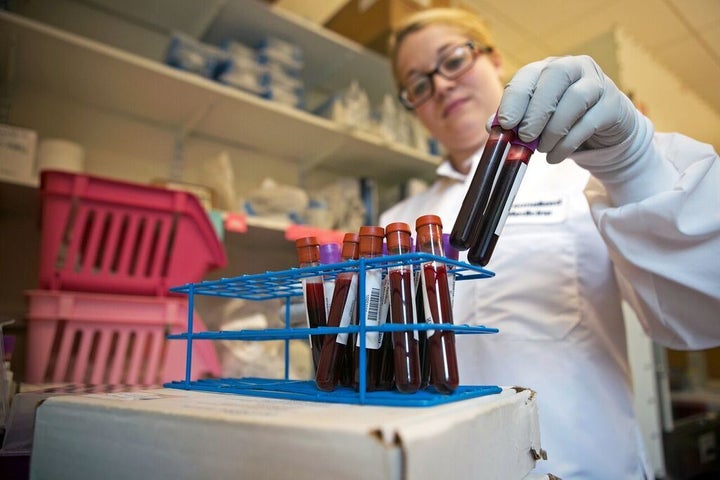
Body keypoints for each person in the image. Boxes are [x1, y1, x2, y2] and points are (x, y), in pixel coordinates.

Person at [379, 7, 720, 479]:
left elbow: (705, 311)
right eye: (417, 84)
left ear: (494, 58)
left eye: (453, 60)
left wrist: (632, 164)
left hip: (585, 466)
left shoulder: (587, 169)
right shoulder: (398, 221)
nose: (439, 86)